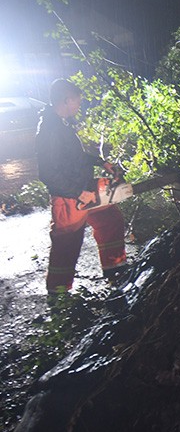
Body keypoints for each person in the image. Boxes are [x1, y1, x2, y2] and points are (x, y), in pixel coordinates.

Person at [36, 79, 128, 294]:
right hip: (69, 197)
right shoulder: (49, 130)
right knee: (66, 244)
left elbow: (75, 157)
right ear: (67, 100)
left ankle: (115, 270)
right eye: (77, 101)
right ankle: (58, 295)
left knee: (110, 220)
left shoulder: (61, 124)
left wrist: (100, 162)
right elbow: (47, 173)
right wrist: (78, 193)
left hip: (83, 190)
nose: (79, 105)